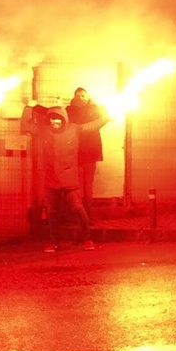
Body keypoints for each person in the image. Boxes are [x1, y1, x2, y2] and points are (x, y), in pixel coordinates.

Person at [22, 104, 109, 252]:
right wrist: (28, 108)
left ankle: (87, 239)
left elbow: (92, 126)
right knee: (52, 212)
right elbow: (26, 125)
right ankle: (55, 242)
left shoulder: (74, 129)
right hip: (51, 179)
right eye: (51, 119)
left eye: (57, 119)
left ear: (64, 119)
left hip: (69, 179)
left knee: (78, 209)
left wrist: (107, 117)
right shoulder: (44, 131)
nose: (54, 122)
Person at [66, 87, 106, 221]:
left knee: (88, 185)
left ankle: (88, 215)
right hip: (76, 152)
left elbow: (102, 119)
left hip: (89, 152)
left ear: (88, 97)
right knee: (76, 185)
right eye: (78, 95)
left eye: (83, 95)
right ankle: (79, 215)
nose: (80, 98)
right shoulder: (70, 110)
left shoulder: (94, 109)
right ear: (74, 97)